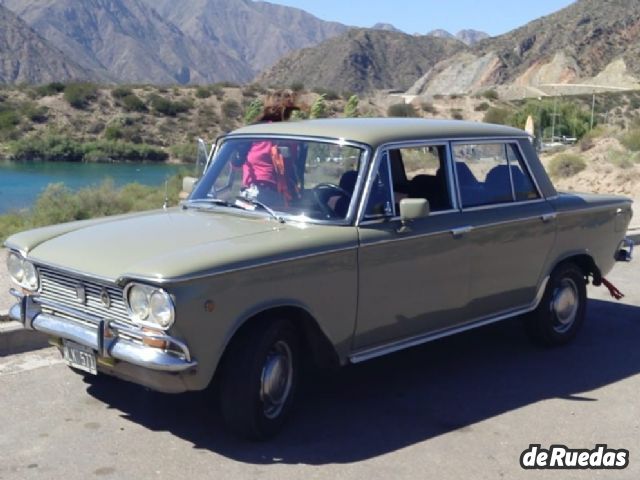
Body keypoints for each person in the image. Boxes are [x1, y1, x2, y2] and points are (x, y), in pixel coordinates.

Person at [241, 91, 303, 207]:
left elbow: (235, 163)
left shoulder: (253, 131)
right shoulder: (289, 135)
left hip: (251, 189)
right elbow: (291, 162)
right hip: (273, 191)